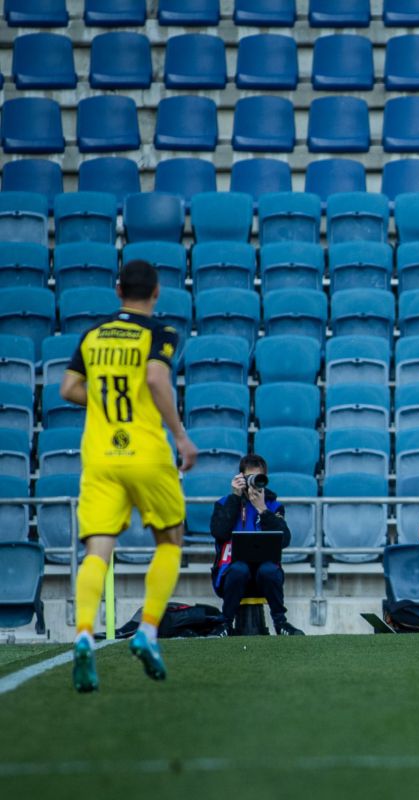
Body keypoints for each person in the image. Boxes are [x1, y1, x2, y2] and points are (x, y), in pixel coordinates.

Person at [60, 259, 199, 692]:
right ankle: (148, 631)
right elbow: (156, 378)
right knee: (170, 540)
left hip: (100, 455)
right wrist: (180, 435)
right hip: (145, 452)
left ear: (118, 290)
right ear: (156, 293)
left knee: (98, 548)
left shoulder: (92, 335)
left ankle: (84, 632)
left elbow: (68, 389)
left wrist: (102, 402)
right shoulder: (161, 333)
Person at [209, 454, 304, 636]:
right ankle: (225, 624)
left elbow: (285, 540)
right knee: (239, 569)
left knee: (269, 569)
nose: (253, 483)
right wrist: (235, 498)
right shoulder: (224, 503)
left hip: (264, 576)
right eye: (248, 478)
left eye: (257, 478)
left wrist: (262, 509)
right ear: (240, 478)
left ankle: (280, 624)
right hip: (232, 575)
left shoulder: (273, 506)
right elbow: (219, 532)